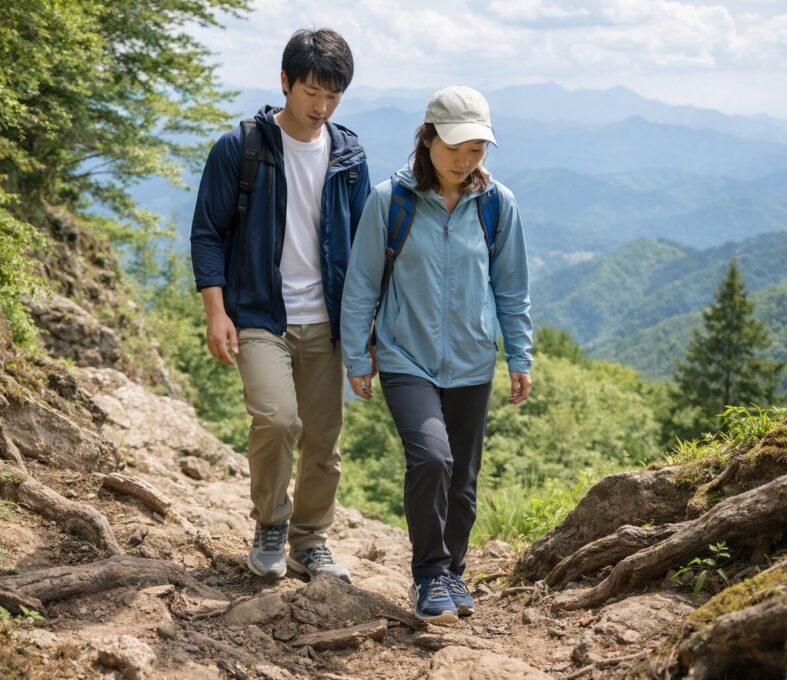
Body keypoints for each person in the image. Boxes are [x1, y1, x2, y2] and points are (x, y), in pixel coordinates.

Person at [340, 86, 533, 622]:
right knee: (432, 459)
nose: (464, 161)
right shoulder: (391, 200)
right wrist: (358, 355)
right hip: (406, 357)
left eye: (476, 150)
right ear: (426, 140)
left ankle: (453, 572)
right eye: (453, 149)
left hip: (473, 361)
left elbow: (511, 288)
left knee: (463, 481)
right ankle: (428, 576)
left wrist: (520, 355)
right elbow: (361, 284)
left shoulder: (497, 205)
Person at [189, 29, 370, 582]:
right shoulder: (241, 148)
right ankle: (271, 523)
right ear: (286, 82)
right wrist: (216, 312)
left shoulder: (349, 155)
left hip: (327, 321)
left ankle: (310, 540)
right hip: (261, 313)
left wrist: (367, 330)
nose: (321, 107)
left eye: (333, 96)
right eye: (312, 92)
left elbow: (365, 246)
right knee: (276, 418)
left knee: (323, 438)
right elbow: (207, 234)